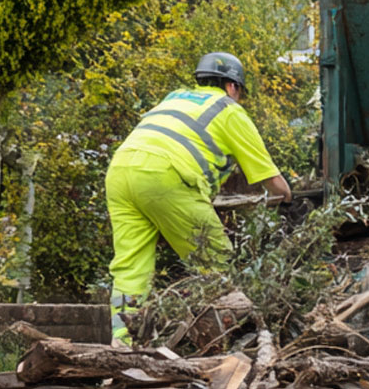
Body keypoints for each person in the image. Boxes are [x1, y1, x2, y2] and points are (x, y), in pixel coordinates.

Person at [105, 52, 291, 344]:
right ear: (233, 86)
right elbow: (268, 175)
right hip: (165, 174)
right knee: (215, 262)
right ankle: (228, 343)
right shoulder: (228, 109)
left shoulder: (174, 98)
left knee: (130, 267)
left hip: (120, 172)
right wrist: (287, 196)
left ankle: (122, 343)